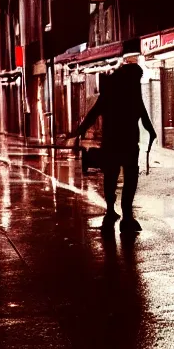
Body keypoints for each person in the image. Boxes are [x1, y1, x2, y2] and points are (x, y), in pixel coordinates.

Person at [63, 64, 156, 233]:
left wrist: (80, 131)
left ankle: (116, 212)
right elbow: (141, 113)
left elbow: (94, 113)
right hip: (124, 142)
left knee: (114, 176)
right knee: (126, 177)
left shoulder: (115, 91)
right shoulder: (126, 91)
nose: (138, 81)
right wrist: (150, 130)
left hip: (116, 142)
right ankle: (121, 213)